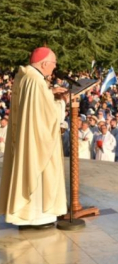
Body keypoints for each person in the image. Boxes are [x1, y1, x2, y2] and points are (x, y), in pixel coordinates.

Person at [0, 47, 68, 228]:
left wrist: (50, 92)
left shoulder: (25, 76)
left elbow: (34, 104)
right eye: (54, 64)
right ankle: (37, 217)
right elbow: (46, 116)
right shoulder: (37, 82)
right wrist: (62, 102)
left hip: (25, 136)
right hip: (36, 140)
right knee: (38, 173)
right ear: (45, 63)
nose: (54, 68)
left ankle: (25, 214)